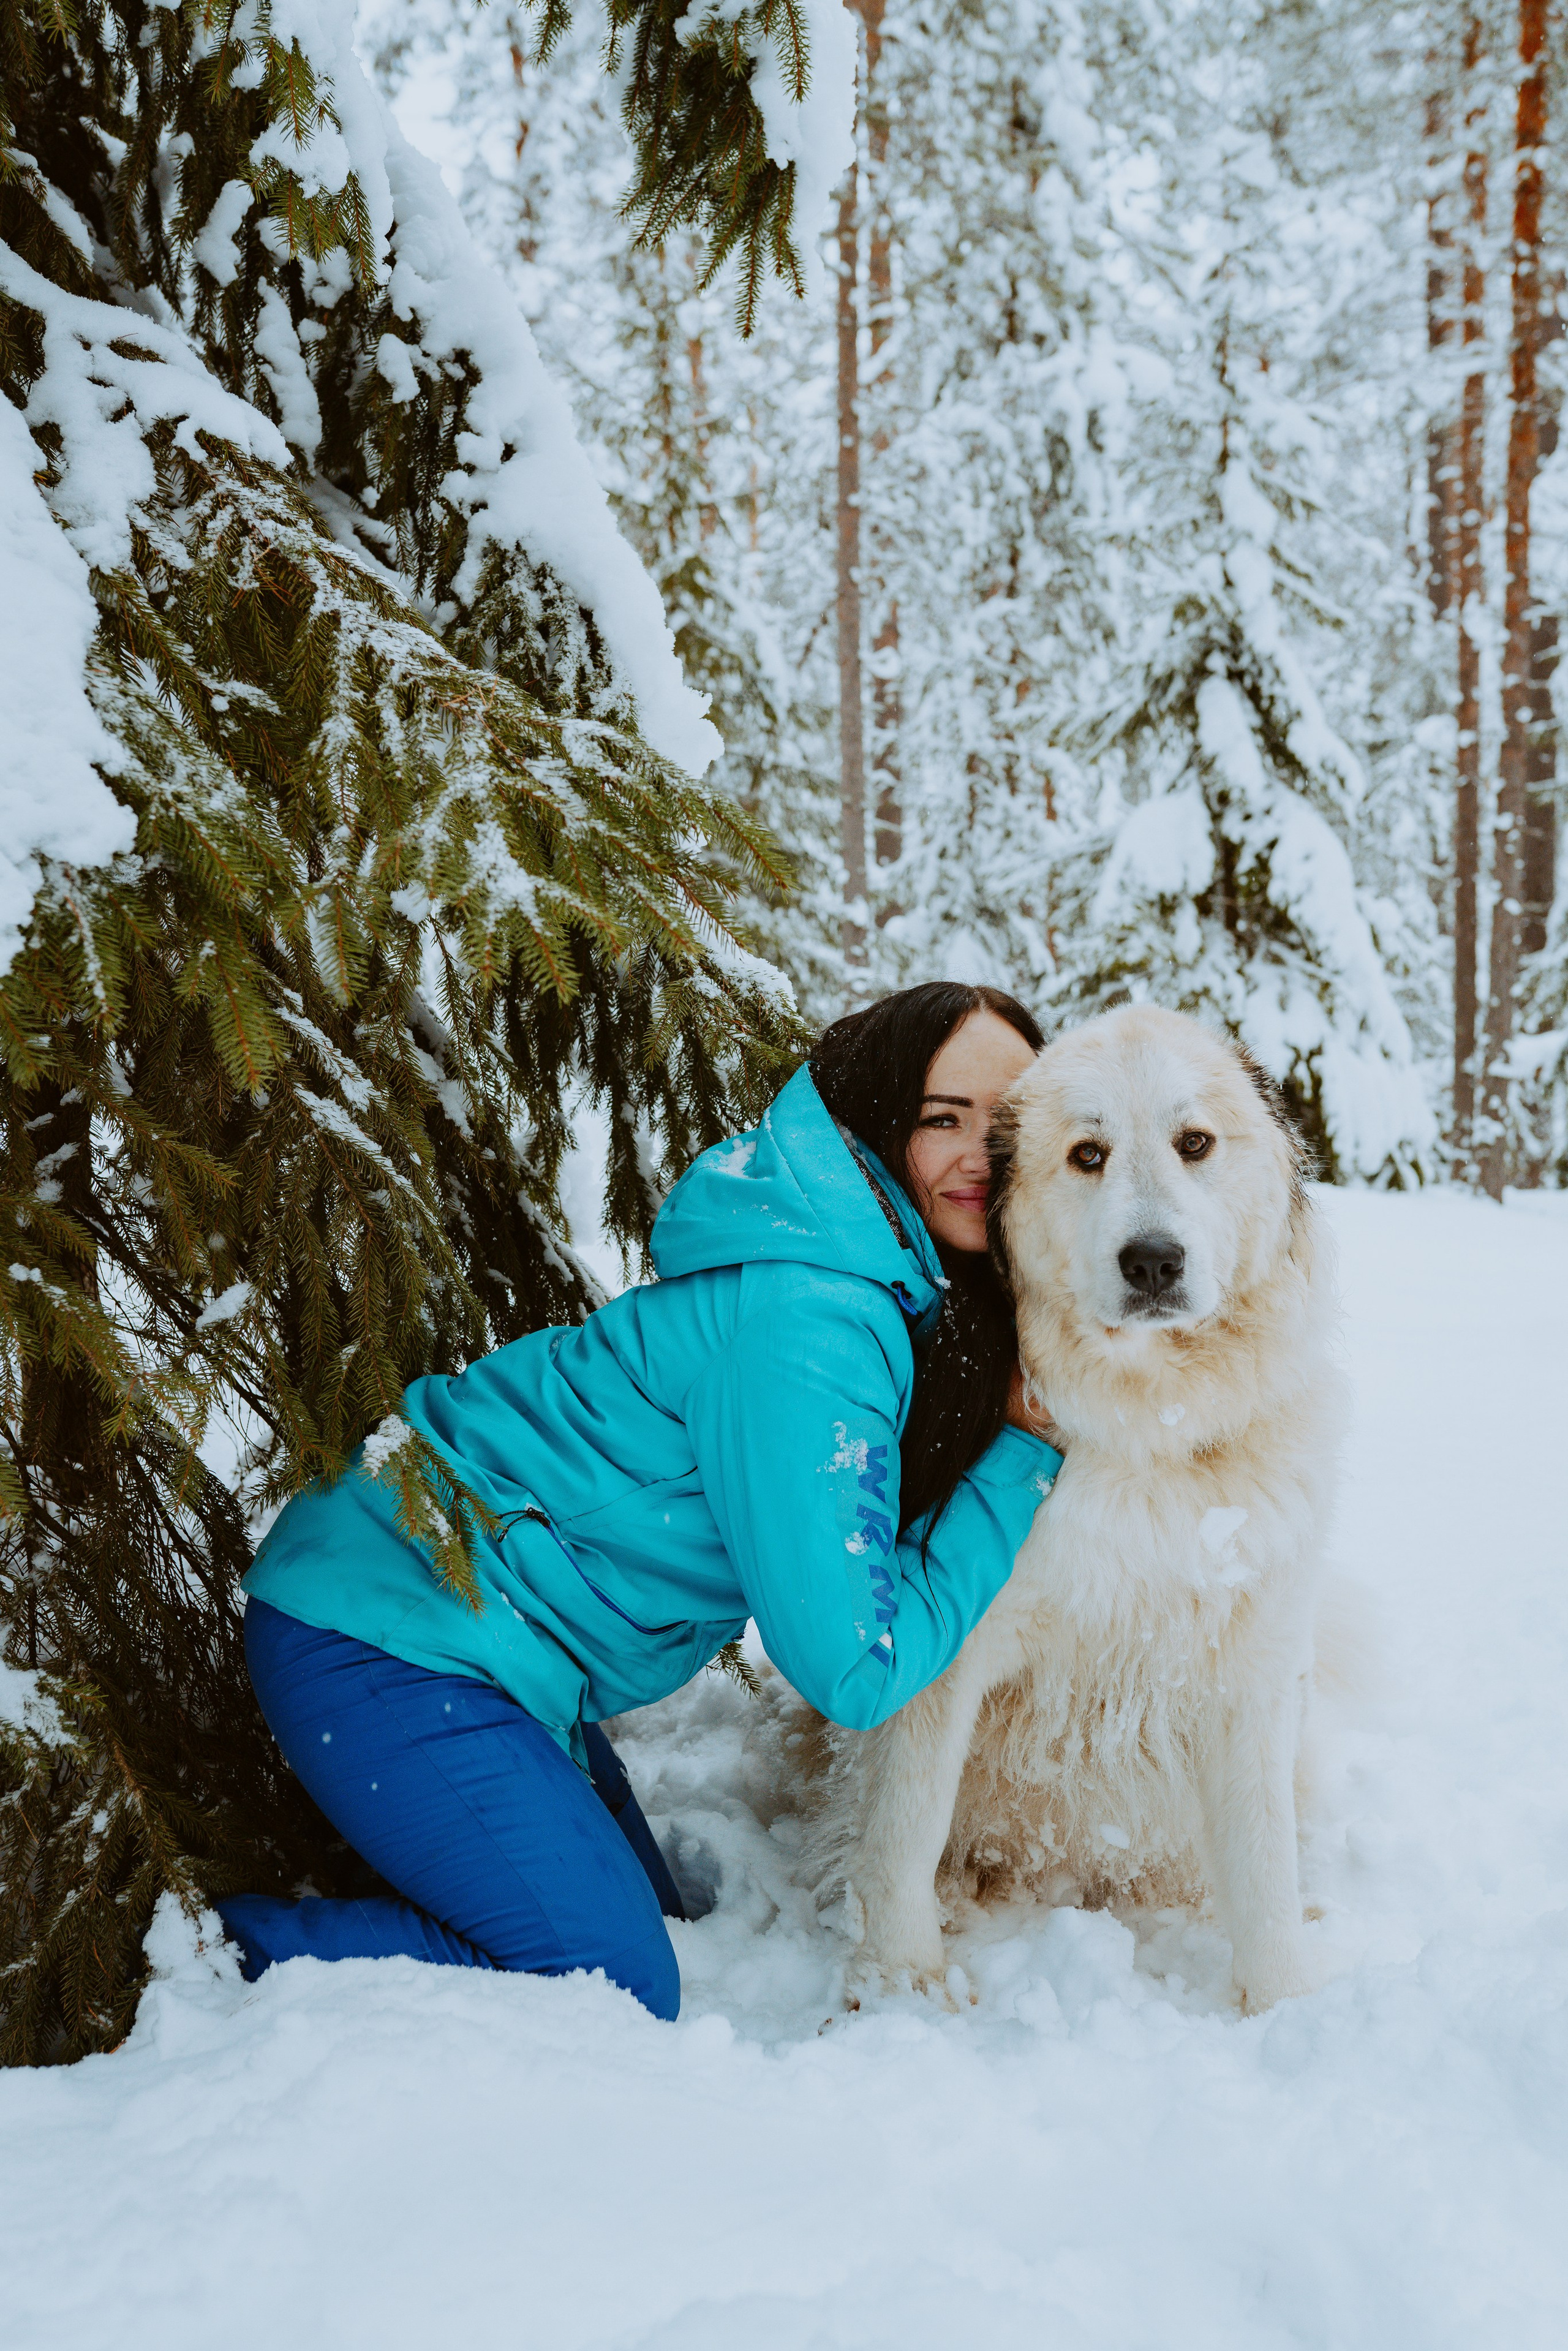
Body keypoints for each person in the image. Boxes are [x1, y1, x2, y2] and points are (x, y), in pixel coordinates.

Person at [218, 983, 1063, 2019]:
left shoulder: (868, 1278)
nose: (982, 1155)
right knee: (608, 1976)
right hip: (389, 1628)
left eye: (1007, 1124)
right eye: (943, 1119)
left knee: (652, 1926)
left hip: (480, 1639)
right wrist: (1022, 1455)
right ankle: (210, 1954)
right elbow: (856, 1666)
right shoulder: (815, 1321)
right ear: (880, 1121)